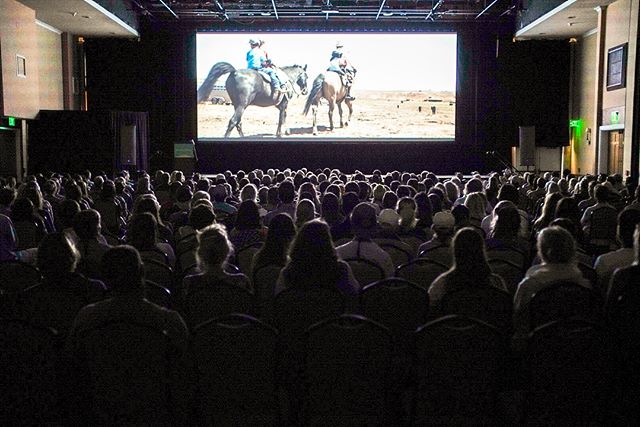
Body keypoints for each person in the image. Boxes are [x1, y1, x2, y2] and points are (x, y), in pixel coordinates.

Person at [247, 38, 285, 104]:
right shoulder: (260, 52)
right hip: (258, 68)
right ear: (258, 44)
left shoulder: (249, 52)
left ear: (251, 45)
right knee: (272, 72)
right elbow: (264, 62)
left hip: (249, 69)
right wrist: (269, 63)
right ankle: (276, 87)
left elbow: (248, 59)